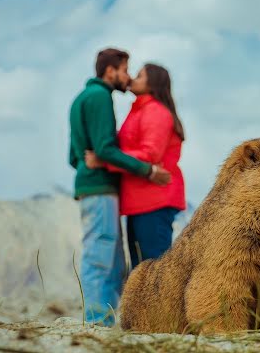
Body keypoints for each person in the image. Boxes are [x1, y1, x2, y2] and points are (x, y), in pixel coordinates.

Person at [68, 48, 171, 326]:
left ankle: (110, 319)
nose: (127, 77)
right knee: (102, 257)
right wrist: (147, 170)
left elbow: (73, 156)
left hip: (91, 187)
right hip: (101, 189)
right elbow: (104, 148)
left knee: (110, 259)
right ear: (110, 71)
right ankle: (99, 321)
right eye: (126, 70)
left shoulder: (80, 99)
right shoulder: (101, 97)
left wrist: (91, 164)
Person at [85, 63, 186, 269]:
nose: (132, 78)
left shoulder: (155, 112)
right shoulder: (140, 111)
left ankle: (161, 304)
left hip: (155, 200)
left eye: (140, 76)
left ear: (153, 84)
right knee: (141, 270)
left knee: (153, 270)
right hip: (140, 200)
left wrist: (105, 159)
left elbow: (150, 154)